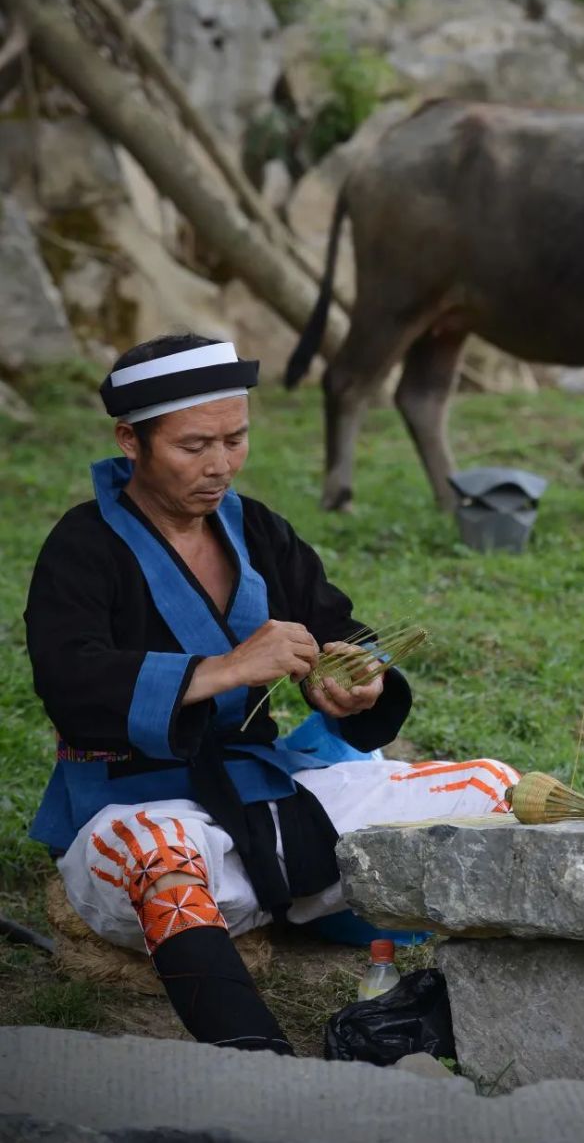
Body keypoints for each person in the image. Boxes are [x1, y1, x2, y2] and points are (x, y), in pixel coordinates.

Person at [25, 333, 519, 1055]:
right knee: (159, 856)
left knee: (492, 789)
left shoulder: (255, 529)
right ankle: (256, 1062)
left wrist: (356, 682)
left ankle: (471, 1016)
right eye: (194, 446)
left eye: (236, 438)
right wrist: (221, 669)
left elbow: (342, 629)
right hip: (143, 815)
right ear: (131, 440)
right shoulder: (81, 548)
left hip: (274, 814)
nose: (220, 465)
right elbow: (71, 686)